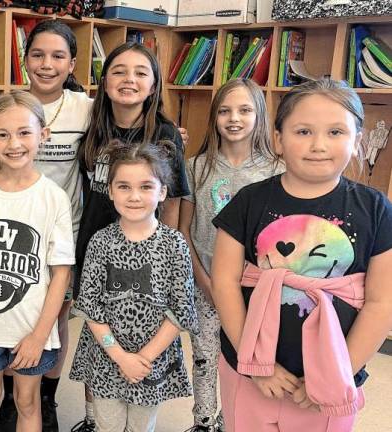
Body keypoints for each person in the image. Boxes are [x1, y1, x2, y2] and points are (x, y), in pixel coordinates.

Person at [211, 78, 392, 432]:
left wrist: (335, 374)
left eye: (336, 132)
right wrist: (254, 364)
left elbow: (381, 302)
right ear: (278, 139)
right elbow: (225, 283)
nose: (319, 145)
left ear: (358, 140)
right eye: (303, 131)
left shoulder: (375, 208)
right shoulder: (249, 200)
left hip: (332, 380)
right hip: (248, 371)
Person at [0, 91, 74, 432]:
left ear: (43, 134)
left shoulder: (53, 198)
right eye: (3, 134)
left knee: (27, 401)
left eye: (24, 132)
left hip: (33, 329)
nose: (14, 143)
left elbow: (61, 272)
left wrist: (39, 335)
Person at [69, 142, 198, 432]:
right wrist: (120, 357)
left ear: (162, 191)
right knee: (107, 425)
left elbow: (181, 310)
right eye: (124, 186)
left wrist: (142, 359)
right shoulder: (101, 241)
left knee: (142, 426)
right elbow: (90, 306)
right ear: (110, 190)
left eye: (145, 187)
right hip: (106, 355)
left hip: (151, 358)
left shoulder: (174, 244)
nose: (135, 196)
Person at [178, 78, 281, 432]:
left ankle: (244, 423)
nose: (233, 118)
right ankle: (205, 422)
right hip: (204, 284)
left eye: (244, 110)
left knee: (250, 360)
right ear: (214, 117)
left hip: (256, 291)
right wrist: (204, 281)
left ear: (260, 115)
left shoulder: (275, 170)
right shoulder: (196, 167)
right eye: (224, 110)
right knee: (206, 359)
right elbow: (184, 230)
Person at [75, 42, 189, 300]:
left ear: (153, 87)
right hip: (95, 248)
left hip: (145, 255)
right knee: (97, 325)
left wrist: (165, 255)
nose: (129, 79)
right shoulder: (91, 127)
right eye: (119, 72)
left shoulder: (166, 135)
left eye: (140, 73)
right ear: (104, 82)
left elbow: (172, 202)